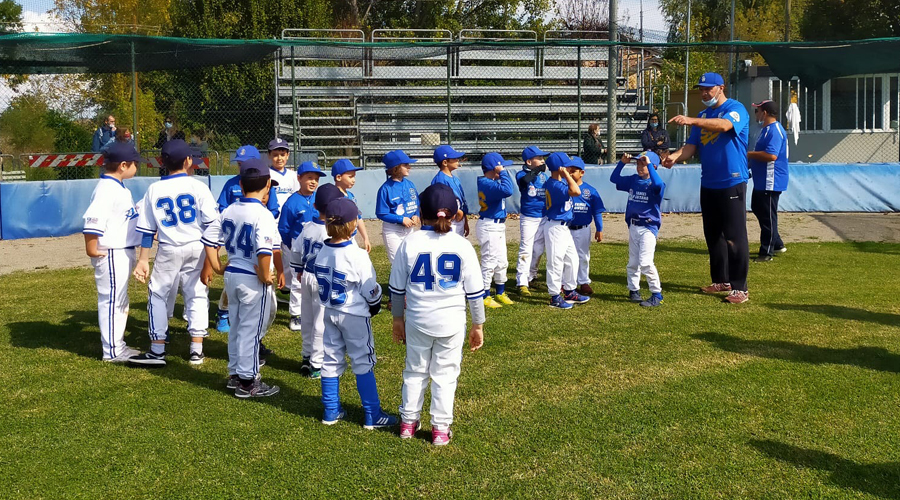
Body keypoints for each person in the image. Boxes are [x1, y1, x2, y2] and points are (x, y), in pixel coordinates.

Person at [390, 183, 486, 446]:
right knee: (445, 375)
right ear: (455, 214)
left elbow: (397, 289)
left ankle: (408, 423)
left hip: (418, 319)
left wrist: (397, 319)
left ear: (422, 211)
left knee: (415, 371)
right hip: (452, 322)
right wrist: (478, 324)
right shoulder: (462, 245)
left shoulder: (410, 242)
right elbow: (475, 293)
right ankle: (440, 429)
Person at [127, 140, 219, 367]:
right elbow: (212, 225)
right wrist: (211, 256)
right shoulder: (199, 187)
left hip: (169, 248)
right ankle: (196, 349)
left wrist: (142, 259)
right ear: (188, 160)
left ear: (162, 162)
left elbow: (147, 230)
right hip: (197, 246)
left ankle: (158, 349)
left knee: (158, 294)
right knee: (197, 293)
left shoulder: (154, 189)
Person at [663, 72, 751, 304]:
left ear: (721, 88)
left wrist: (691, 120)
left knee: (735, 236)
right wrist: (674, 157)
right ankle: (721, 280)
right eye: (701, 89)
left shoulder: (736, 108)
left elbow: (724, 126)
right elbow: (692, 147)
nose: (704, 93)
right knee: (713, 235)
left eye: (708, 89)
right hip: (709, 182)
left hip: (732, 181)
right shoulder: (703, 114)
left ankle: (740, 288)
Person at [201, 158, 285, 398]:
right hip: (251, 277)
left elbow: (209, 241)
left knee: (237, 327)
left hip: (232, 275)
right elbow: (264, 250)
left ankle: (236, 374)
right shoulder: (264, 214)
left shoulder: (229, 209)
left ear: (240, 183)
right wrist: (264, 273)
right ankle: (248, 382)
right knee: (251, 330)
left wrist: (217, 267)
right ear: (267, 184)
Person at [316, 197, 397, 429]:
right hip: (353, 314)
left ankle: (331, 410)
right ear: (352, 225)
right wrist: (376, 304)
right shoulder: (357, 255)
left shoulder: (322, 249)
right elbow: (370, 289)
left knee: (331, 359)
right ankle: (373, 414)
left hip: (330, 311)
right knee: (363, 361)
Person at [82, 142, 142, 362]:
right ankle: (113, 351)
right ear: (123, 165)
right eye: (135, 163)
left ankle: (118, 345)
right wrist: (91, 248)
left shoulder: (117, 186)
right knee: (112, 301)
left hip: (121, 250)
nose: (137, 167)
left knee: (119, 300)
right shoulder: (107, 188)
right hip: (111, 252)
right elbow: (93, 219)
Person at [215, 145, 280, 334]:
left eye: (245, 162)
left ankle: (253, 338)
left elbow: (273, 209)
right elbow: (221, 208)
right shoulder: (232, 183)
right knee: (239, 283)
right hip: (240, 239)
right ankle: (224, 313)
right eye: (239, 163)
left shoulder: (265, 185)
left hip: (259, 233)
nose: (241, 165)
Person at [290, 184, 345, 380]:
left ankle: (306, 356)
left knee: (307, 318)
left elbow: (295, 250)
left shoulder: (307, 227)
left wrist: (297, 270)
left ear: (314, 205)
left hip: (306, 275)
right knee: (320, 322)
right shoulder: (332, 232)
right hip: (322, 280)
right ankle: (316, 363)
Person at [611, 152, 666, 307]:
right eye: (638, 163)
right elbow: (614, 179)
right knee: (633, 262)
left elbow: (658, 186)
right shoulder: (634, 180)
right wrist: (622, 163)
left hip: (648, 227)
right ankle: (633, 290)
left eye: (643, 164)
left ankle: (656, 294)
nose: (639, 166)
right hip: (634, 225)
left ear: (652, 166)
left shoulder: (655, 183)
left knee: (646, 262)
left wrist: (650, 165)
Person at [279, 161, 324, 332]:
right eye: (309, 178)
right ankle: (296, 314)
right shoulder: (292, 202)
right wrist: (290, 246)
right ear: (299, 178)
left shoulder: (318, 199)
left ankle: (314, 309)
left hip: (315, 246)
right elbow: (284, 228)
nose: (313, 182)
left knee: (316, 277)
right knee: (298, 281)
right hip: (297, 247)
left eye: (316, 179)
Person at [542, 152, 590, 309]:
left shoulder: (558, 182)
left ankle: (569, 291)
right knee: (556, 263)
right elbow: (576, 191)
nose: (569, 168)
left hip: (563, 227)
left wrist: (564, 175)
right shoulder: (555, 185)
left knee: (572, 259)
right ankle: (555, 296)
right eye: (566, 166)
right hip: (555, 226)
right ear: (560, 168)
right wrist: (565, 175)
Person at [748, 100, 789, 263]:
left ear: (764, 113)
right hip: (762, 180)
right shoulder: (766, 130)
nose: (756, 115)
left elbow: (771, 155)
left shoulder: (775, 130)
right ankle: (777, 242)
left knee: (768, 217)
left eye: (757, 111)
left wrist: (750, 154)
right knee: (758, 208)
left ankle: (766, 251)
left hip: (771, 180)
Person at [476, 152, 515, 309]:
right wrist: (503, 172)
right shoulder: (487, 183)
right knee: (489, 261)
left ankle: (500, 291)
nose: (504, 167)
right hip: (489, 225)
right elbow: (508, 190)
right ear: (494, 168)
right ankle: (485, 295)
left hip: (498, 225)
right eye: (501, 165)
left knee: (501, 260)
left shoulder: (492, 181)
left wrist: (500, 173)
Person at [267, 138, 300, 301]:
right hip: (271, 221)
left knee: (288, 255)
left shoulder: (294, 176)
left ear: (287, 156)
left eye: (282, 154)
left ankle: (287, 288)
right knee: (271, 254)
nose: (279, 158)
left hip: (288, 222)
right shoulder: (267, 175)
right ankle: (269, 289)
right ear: (269, 156)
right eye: (275, 155)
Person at [567, 156, 606, 296]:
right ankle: (565, 282)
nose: (570, 173)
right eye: (568, 170)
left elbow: (597, 212)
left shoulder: (590, 190)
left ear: (581, 173)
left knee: (583, 256)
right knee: (565, 256)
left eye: (573, 171)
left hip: (582, 228)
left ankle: (583, 282)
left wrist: (599, 229)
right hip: (565, 228)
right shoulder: (563, 188)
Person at [515, 145, 549, 295]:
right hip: (529, 217)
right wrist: (536, 171)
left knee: (538, 249)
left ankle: (532, 276)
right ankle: (521, 282)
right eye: (539, 158)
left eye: (543, 158)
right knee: (526, 248)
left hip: (543, 216)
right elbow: (524, 182)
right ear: (529, 162)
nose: (542, 161)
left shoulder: (544, 176)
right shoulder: (521, 174)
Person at [376, 150, 420, 264]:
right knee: (397, 263)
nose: (409, 167)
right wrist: (401, 219)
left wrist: (416, 215)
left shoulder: (410, 184)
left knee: (411, 260)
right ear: (395, 168)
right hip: (393, 230)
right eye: (405, 165)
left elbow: (416, 203)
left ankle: (408, 282)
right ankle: (397, 282)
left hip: (409, 229)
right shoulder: (385, 188)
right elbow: (381, 213)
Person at [331, 158, 372, 252]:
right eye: (350, 176)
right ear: (338, 177)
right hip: (339, 240)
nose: (354, 180)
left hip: (351, 239)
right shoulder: (332, 198)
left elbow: (358, 218)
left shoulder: (351, 196)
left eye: (354, 176)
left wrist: (365, 238)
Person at [431, 145, 469, 237]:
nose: (457, 160)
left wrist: (465, 220)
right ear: (445, 162)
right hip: (449, 221)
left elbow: (461, 201)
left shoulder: (455, 178)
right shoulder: (440, 180)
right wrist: (458, 211)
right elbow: (441, 203)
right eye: (454, 158)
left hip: (459, 219)